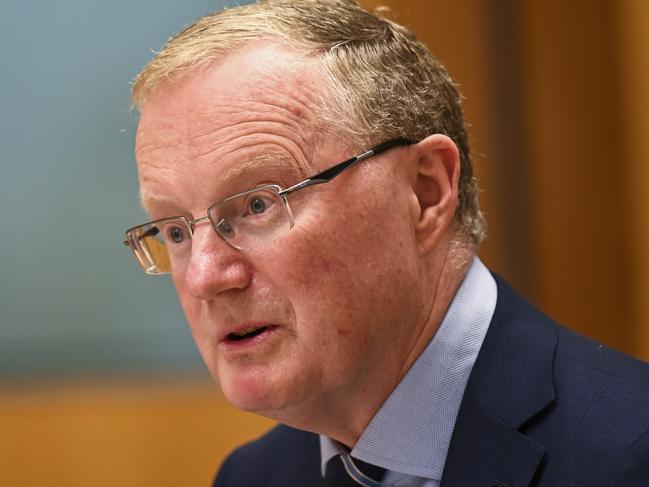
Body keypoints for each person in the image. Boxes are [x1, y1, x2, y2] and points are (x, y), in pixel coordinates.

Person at [123, 1, 649, 485]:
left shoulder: (629, 455)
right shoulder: (253, 476)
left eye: (258, 204)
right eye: (174, 231)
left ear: (424, 193)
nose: (204, 278)